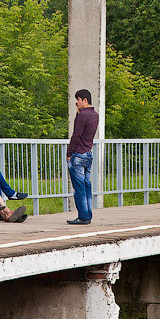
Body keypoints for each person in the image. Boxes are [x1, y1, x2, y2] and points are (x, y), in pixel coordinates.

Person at [66, 88, 99, 225]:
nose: (77, 103)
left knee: (79, 187)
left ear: (85, 100)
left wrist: (69, 153)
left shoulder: (82, 116)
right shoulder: (95, 115)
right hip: (88, 154)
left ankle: (83, 217)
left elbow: (76, 135)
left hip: (78, 154)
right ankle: (88, 215)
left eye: (78, 100)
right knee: (86, 186)